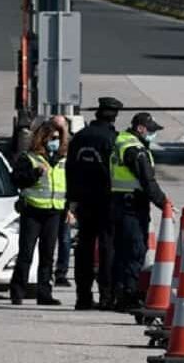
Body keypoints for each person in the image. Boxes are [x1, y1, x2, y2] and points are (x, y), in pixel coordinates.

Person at [66, 97, 123, 310]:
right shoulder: (113, 139)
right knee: (107, 248)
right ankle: (106, 296)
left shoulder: (80, 137)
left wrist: (70, 200)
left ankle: (82, 296)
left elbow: (69, 169)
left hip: (83, 200)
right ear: (114, 117)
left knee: (84, 247)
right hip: (107, 200)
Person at [110, 112, 169, 311]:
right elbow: (147, 181)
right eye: (151, 130)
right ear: (141, 128)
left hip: (119, 202)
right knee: (135, 250)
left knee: (121, 251)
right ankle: (129, 295)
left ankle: (118, 294)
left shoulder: (122, 141)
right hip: (132, 205)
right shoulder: (134, 149)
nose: (153, 135)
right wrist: (164, 203)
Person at [9, 121, 66, 306]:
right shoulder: (29, 158)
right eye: (52, 139)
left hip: (54, 212)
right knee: (26, 253)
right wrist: (35, 173)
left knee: (48, 255)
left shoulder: (62, 160)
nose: (55, 142)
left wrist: (70, 211)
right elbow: (17, 180)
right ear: (43, 139)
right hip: (33, 211)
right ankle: (17, 292)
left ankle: (44, 293)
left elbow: (67, 187)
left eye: (58, 139)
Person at [48, 115, 73, 288]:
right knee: (47, 242)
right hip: (44, 204)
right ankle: (45, 273)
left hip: (63, 203)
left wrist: (71, 208)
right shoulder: (40, 150)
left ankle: (61, 273)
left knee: (64, 240)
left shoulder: (69, 153)